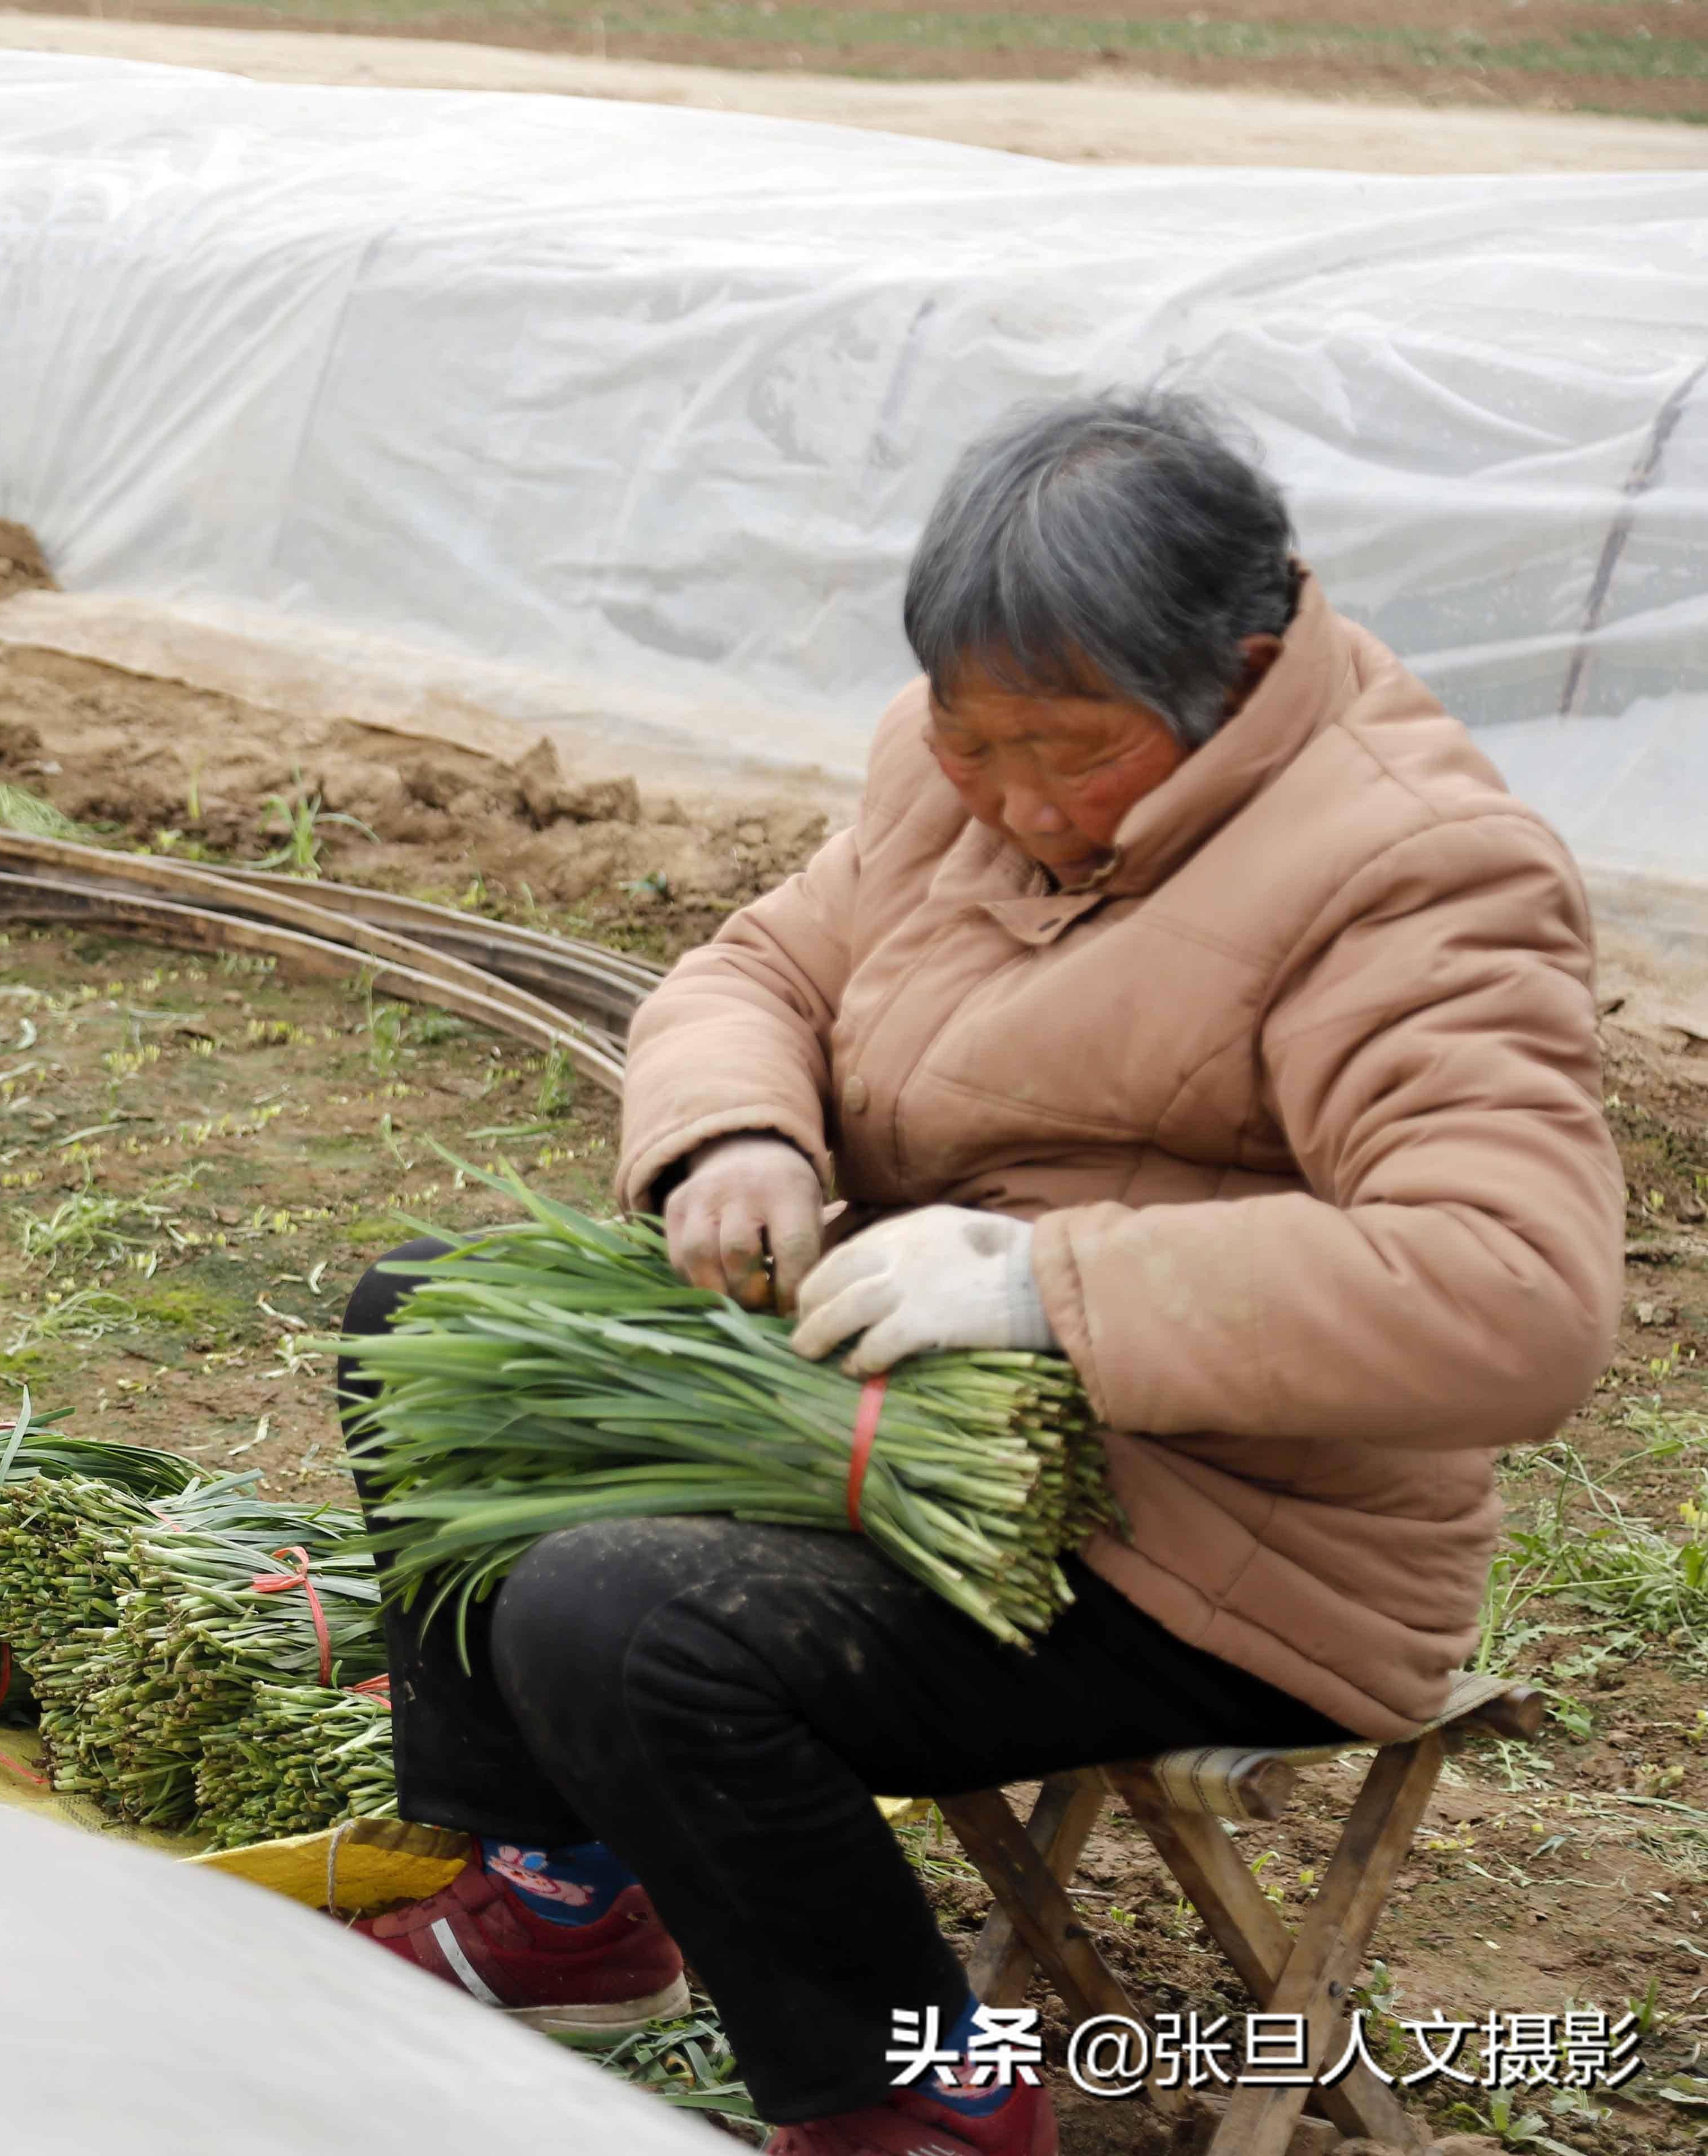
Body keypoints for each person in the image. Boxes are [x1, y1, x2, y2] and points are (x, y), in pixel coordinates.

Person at [335, 392, 1621, 2155]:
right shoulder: (950, 781)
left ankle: (919, 2100)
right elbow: (757, 969)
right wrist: (740, 1140)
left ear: (1238, 676)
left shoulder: (1412, 871)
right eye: (969, 739)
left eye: (1073, 751)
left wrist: (1047, 1284)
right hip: (913, 1403)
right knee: (431, 1320)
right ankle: (563, 1906)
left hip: (1210, 1545)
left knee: (616, 1616)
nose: (1014, 802)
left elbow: (1514, 1295)